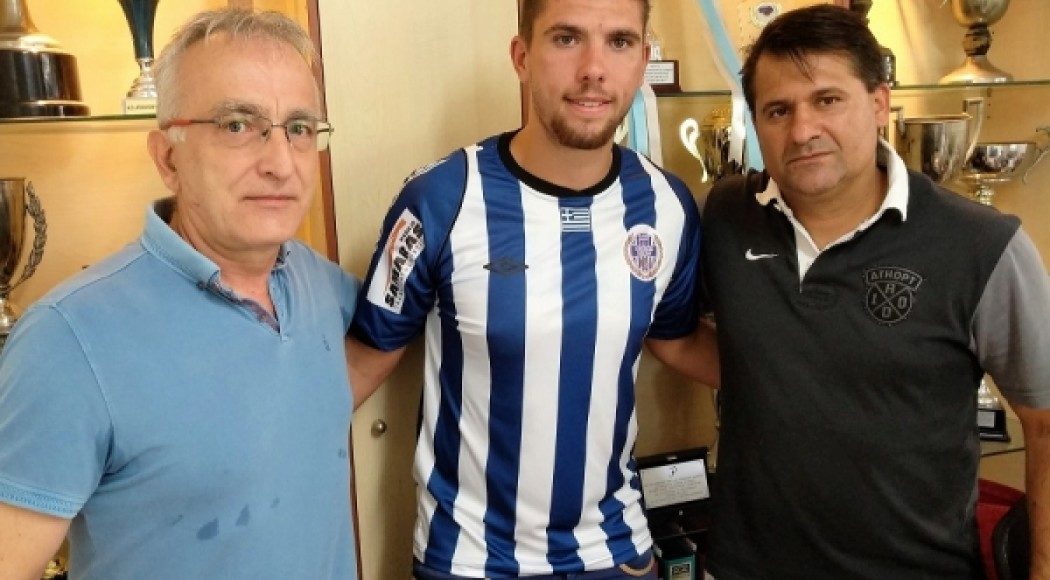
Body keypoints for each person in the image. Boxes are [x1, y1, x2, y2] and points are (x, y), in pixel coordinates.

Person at [346, 0, 718, 577]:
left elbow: (676, 340)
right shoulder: (441, 198)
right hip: (471, 559)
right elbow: (365, 359)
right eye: (567, 38)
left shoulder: (668, 205)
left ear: (643, 59)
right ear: (521, 57)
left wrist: (815, 379)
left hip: (615, 551)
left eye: (619, 42)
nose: (594, 68)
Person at [0, 9, 358, 580]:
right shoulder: (66, 338)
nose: (280, 163)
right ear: (169, 157)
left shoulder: (321, 284)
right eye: (237, 125)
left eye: (299, 128)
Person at [700, 5, 1050, 579]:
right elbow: (679, 336)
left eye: (827, 100)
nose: (803, 130)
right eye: (778, 110)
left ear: (880, 103)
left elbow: (1044, 420)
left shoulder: (983, 245)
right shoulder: (725, 217)